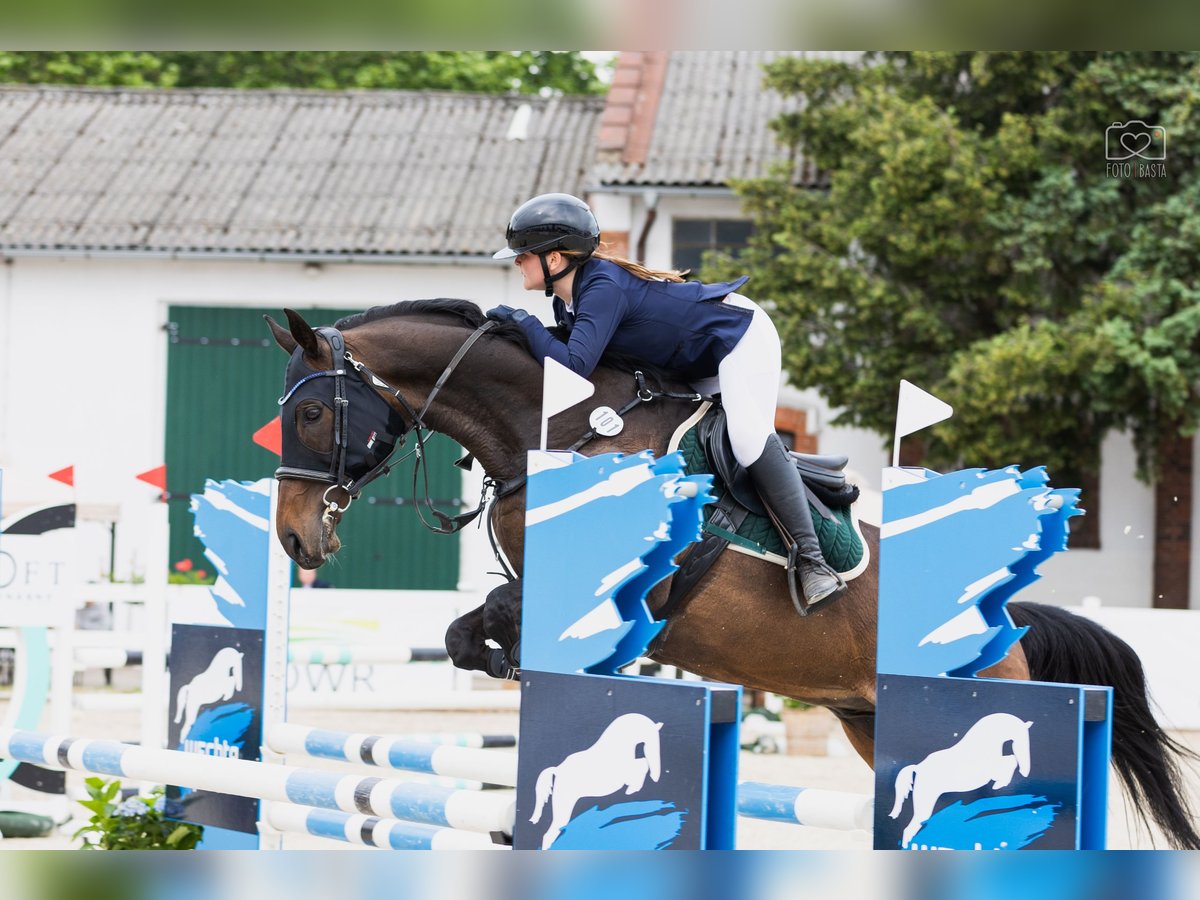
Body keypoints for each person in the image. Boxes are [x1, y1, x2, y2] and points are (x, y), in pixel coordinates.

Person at [488, 192, 846, 611]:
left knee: (748, 439)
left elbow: (573, 367)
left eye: (523, 254)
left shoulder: (601, 288)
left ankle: (813, 562)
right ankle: (803, 482)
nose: (516, 262)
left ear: (554, 260)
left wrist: (523, 323)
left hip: (736, 339)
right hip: (693, 360)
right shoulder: (568, 301)